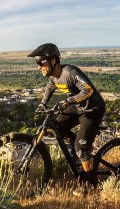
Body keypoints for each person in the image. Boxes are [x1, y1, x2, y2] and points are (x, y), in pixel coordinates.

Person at [27, 43, 106, 187]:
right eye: (37, 63)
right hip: (77, 107)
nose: (38, 66)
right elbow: (49, 88)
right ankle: (80, 150)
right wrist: (43, 104)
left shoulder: (69, 72)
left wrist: (67, 101)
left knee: (80, 148)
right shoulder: (53, 77)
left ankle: (90, 183)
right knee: (57, 126)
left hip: (92, 110)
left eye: (40, 62)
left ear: (53, 60)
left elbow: (88, 91)